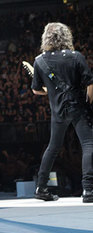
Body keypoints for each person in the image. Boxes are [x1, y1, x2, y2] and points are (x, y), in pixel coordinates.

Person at [31, 22, 93, 203]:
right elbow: (90, 83)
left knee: (53, 147)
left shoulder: (39, 61)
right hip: (78, 107)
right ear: (66, 36)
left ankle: (41, 188)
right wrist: (88, 101)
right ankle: (89, 190)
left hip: (58, 111)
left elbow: (36, 90)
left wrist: (51, 91)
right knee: (88, 144)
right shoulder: (75, 56)